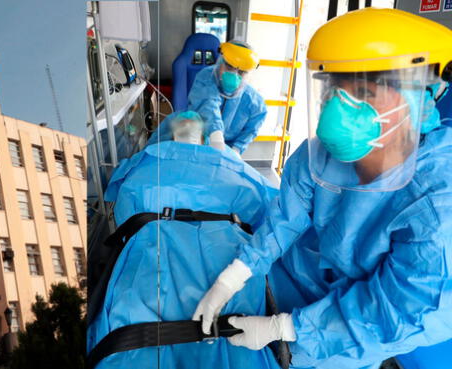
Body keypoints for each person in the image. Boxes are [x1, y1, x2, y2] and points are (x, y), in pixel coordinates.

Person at [193, 8, 452, 369]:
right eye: (334, 90)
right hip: (298, 277)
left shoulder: (440, 199)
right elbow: (284, 220)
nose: (337, 112)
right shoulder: (319, 157)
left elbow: (400, 309)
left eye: (363, 90)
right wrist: (236, 274)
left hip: (360, 324)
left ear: (419, 96)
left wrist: (287, 328)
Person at [87, 111, 279, 369]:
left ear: (167, 134)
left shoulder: (142, 167)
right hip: (229, 261)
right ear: (204, 138)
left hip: (149, 273)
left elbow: (124, 212)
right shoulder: (237, 171)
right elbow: (272, 218)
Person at [188, 40, 267, 154]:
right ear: (220, 62)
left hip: (228, 151)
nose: (234, 75)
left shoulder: (254, 103)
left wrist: (236, 150)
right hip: (197, 141)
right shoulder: (206, 77)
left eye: (241, 72)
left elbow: (251, 130)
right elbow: (208, 105)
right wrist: (216, 136)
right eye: (229, 67)